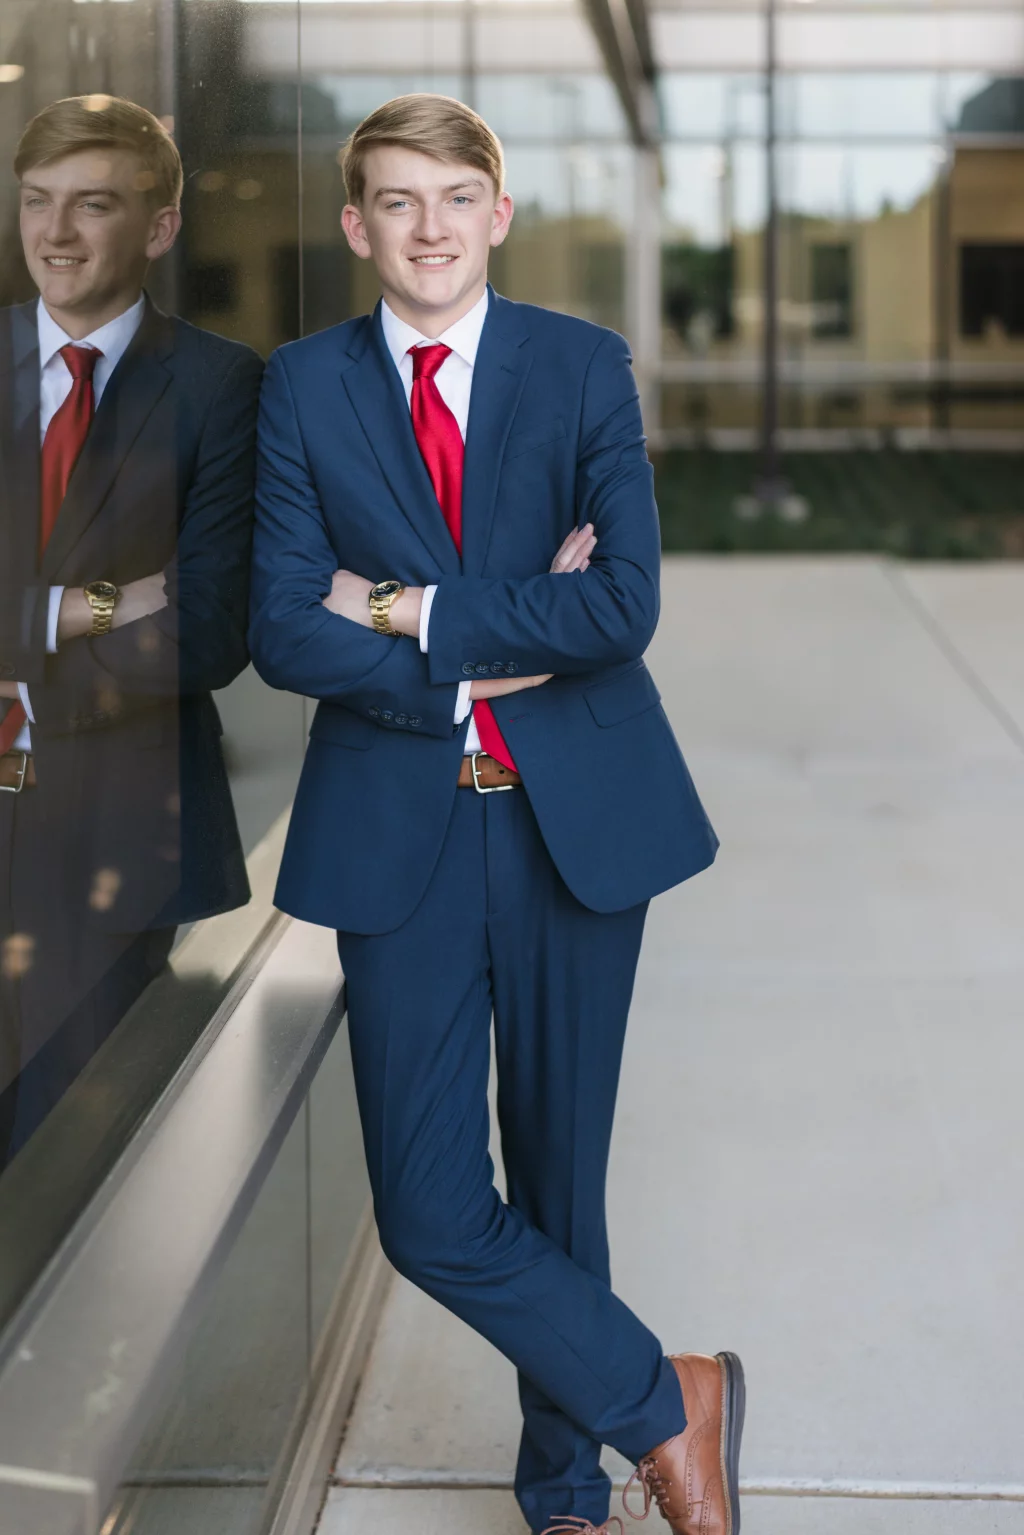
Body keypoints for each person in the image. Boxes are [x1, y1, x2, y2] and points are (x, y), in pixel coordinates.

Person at [250, 94, 743, 1535]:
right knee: (427, 1207)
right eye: (396, 202)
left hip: (570, 823)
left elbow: (621, 603)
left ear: (499, 213)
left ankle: (565, 1492)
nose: (429, 227)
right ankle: (668, 1395)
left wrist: (404, 608)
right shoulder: (304, 385)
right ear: (356, 226)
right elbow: (283, 626)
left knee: (559, 1169)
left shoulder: (583, 366)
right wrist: (494, 636)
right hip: (396, 834)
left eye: (456, 196)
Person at [0, 96, 261, 1163]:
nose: (55, 235)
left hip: (117, 830)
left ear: (158, 226)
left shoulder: (220, 385)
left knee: (60, 1156)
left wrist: (25, 683)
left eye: (92, 205)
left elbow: (206, 627)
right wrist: (87, 606)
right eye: (36, 204)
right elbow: (154, 606)